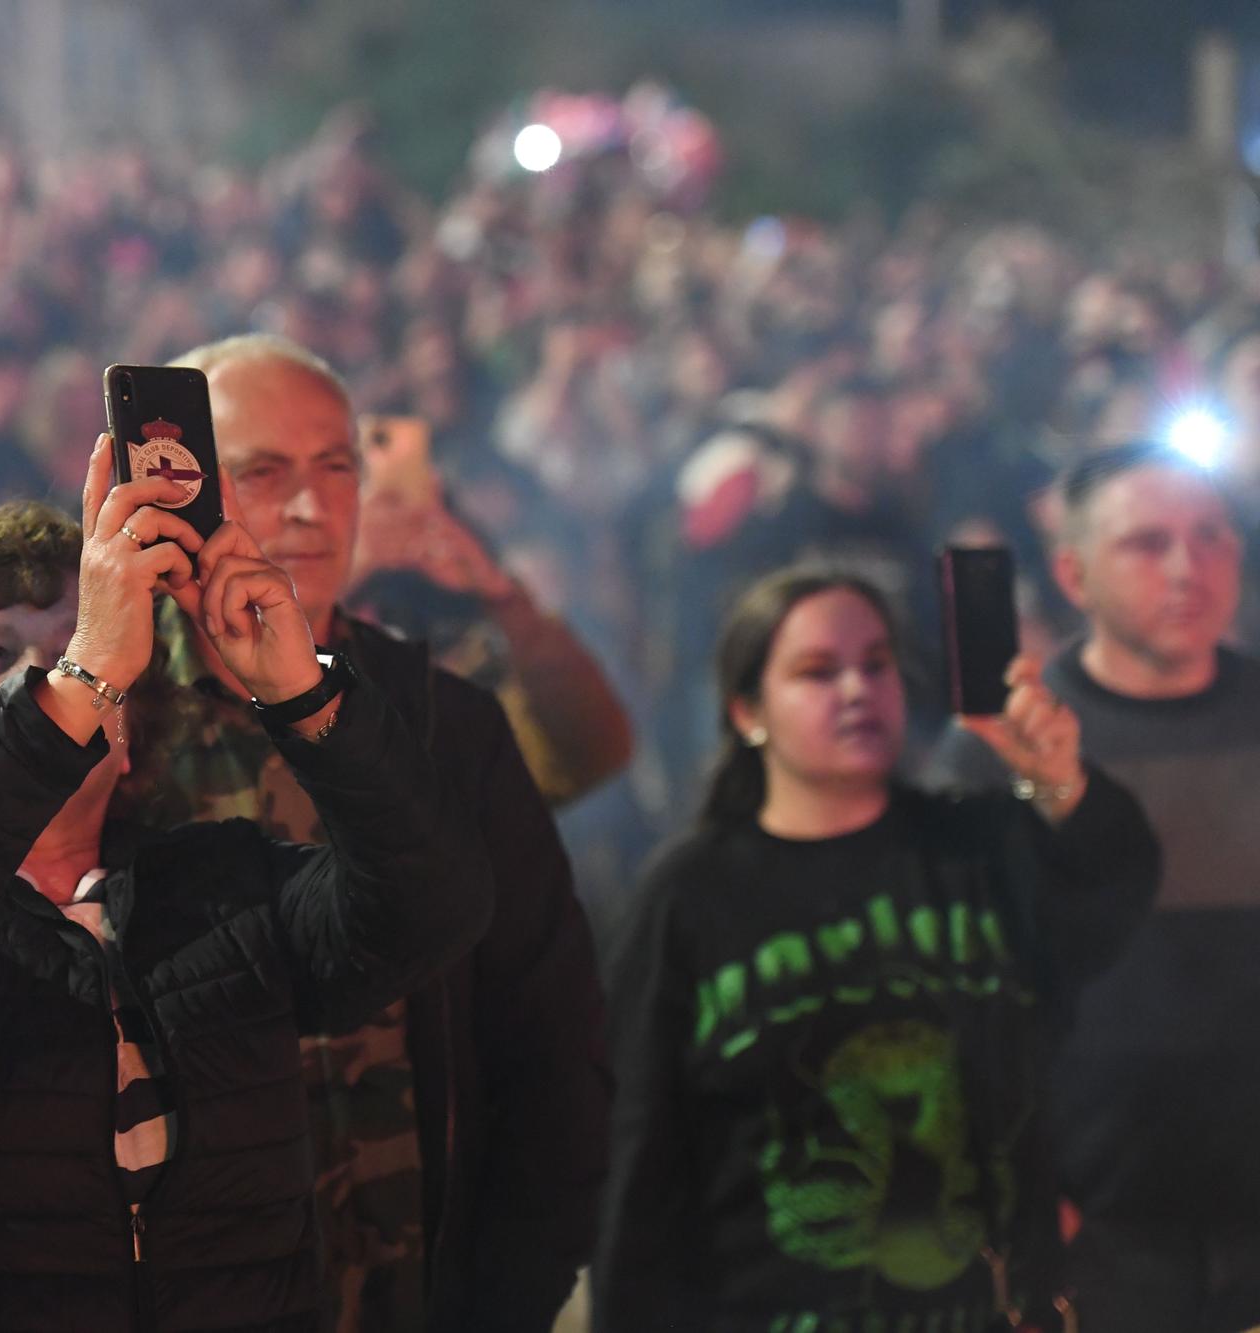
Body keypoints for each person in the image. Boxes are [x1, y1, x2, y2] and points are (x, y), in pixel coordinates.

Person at [0, 448, 492, 1330]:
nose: (41, 678)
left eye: (69, 649)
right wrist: (84, 670)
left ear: (129, 734)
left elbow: (437, 904)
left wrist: (301, 690)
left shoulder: (225, 887)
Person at [134, 333, 616, 1332]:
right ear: (180, 490)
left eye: (337, 468)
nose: (312, 508)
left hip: (414, 1288)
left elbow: (550, 1033)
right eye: (266, 473)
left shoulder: (441, 721)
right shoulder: (106, 727)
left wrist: (510, 1287)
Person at [594, 565, 1159, 1332]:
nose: (857, 689)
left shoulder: (979, 846)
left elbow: (1117, 885)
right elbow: (639, 1159)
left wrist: (1060, 780)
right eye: (818, 671)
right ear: (747, 710)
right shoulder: (689, 897)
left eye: (876, 663)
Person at [933, 443, 1260, 1332]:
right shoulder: (1004, 749)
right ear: (1074, 574)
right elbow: (952, 997)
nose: (1189, 568)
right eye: (1148, 543)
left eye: (1211, 537)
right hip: (1095, 1216)